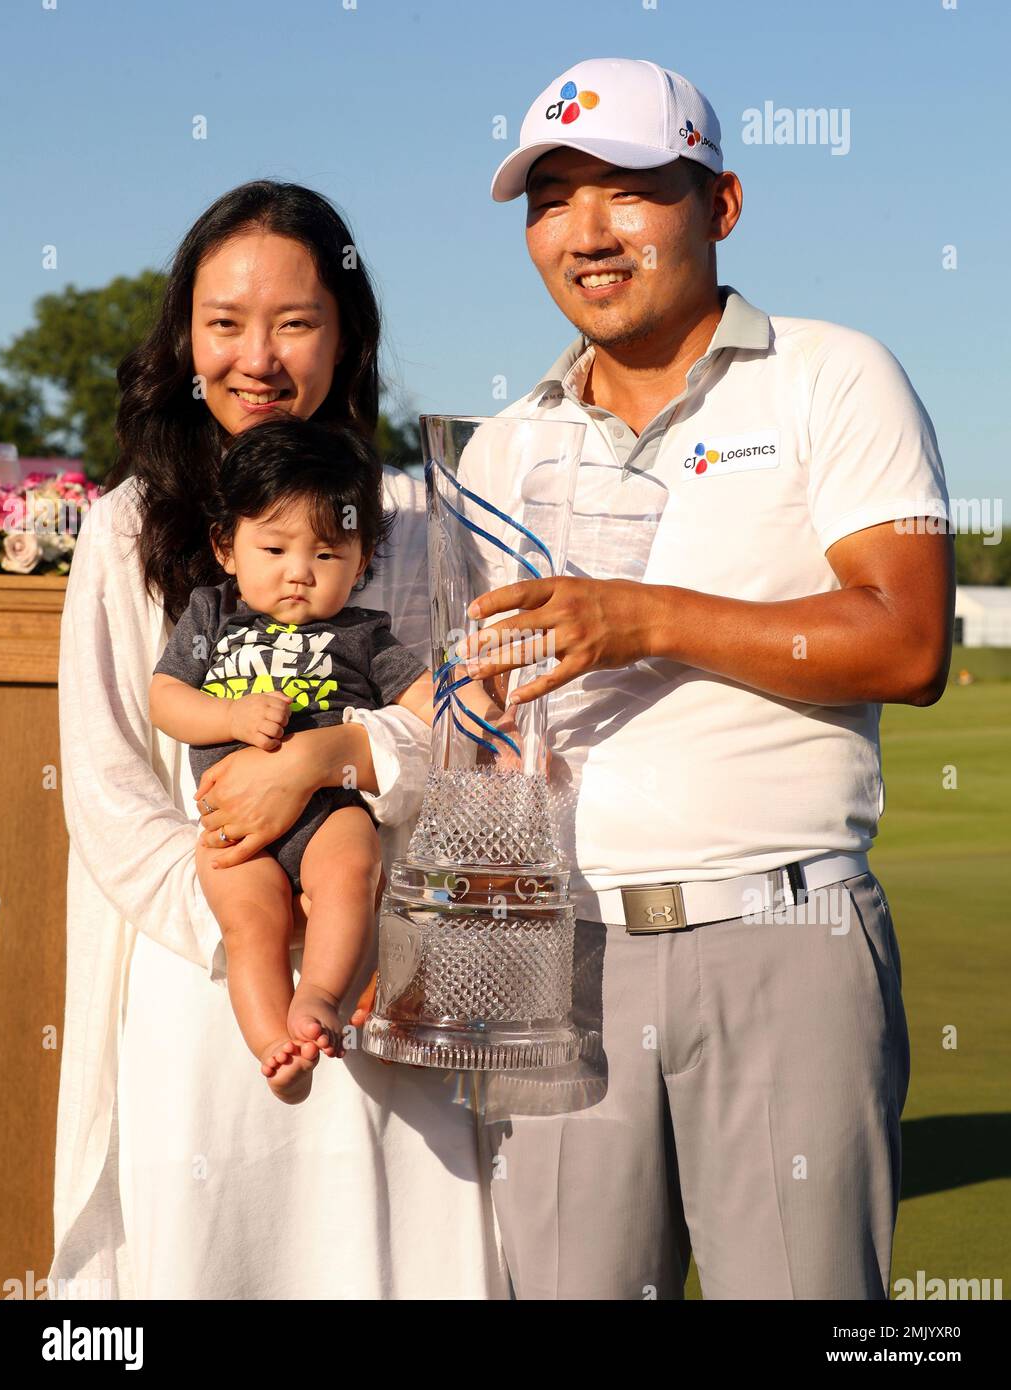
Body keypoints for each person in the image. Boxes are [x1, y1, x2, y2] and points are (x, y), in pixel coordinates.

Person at [464, 58, 954, 1299]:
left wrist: (645, 619)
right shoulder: (505, 442)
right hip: (557, 955)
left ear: (718, 203)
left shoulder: (830, 373)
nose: (585, 232)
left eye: (629, 189)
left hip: (780, 930)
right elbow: (468, 711)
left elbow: (906, 643)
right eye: (552, 197)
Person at [50, 179, 507, 1299]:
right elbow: (107, 780)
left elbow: (472, 737)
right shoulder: (125, 526)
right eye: (225, 324)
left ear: (345, 337)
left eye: (294, 322)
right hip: (198, 978)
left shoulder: (410, 517)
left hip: (380, 978)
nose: (257, 357)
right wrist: (237, 910)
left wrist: (332, 765)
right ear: (184, 338)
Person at [150, 413, 516, 1101]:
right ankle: (272, 1045)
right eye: (274, 549)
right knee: (249, 922)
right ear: (225, 547)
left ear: (361, 558)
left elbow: (421, 700)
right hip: (233, 823)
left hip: (329, 808)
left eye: (325, 555)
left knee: (353, 868)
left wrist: (474, 702)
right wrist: (228, 715)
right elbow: (165, 698)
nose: (298, 573)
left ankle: (318, 996)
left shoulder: (364, 633)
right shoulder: (210, 616)